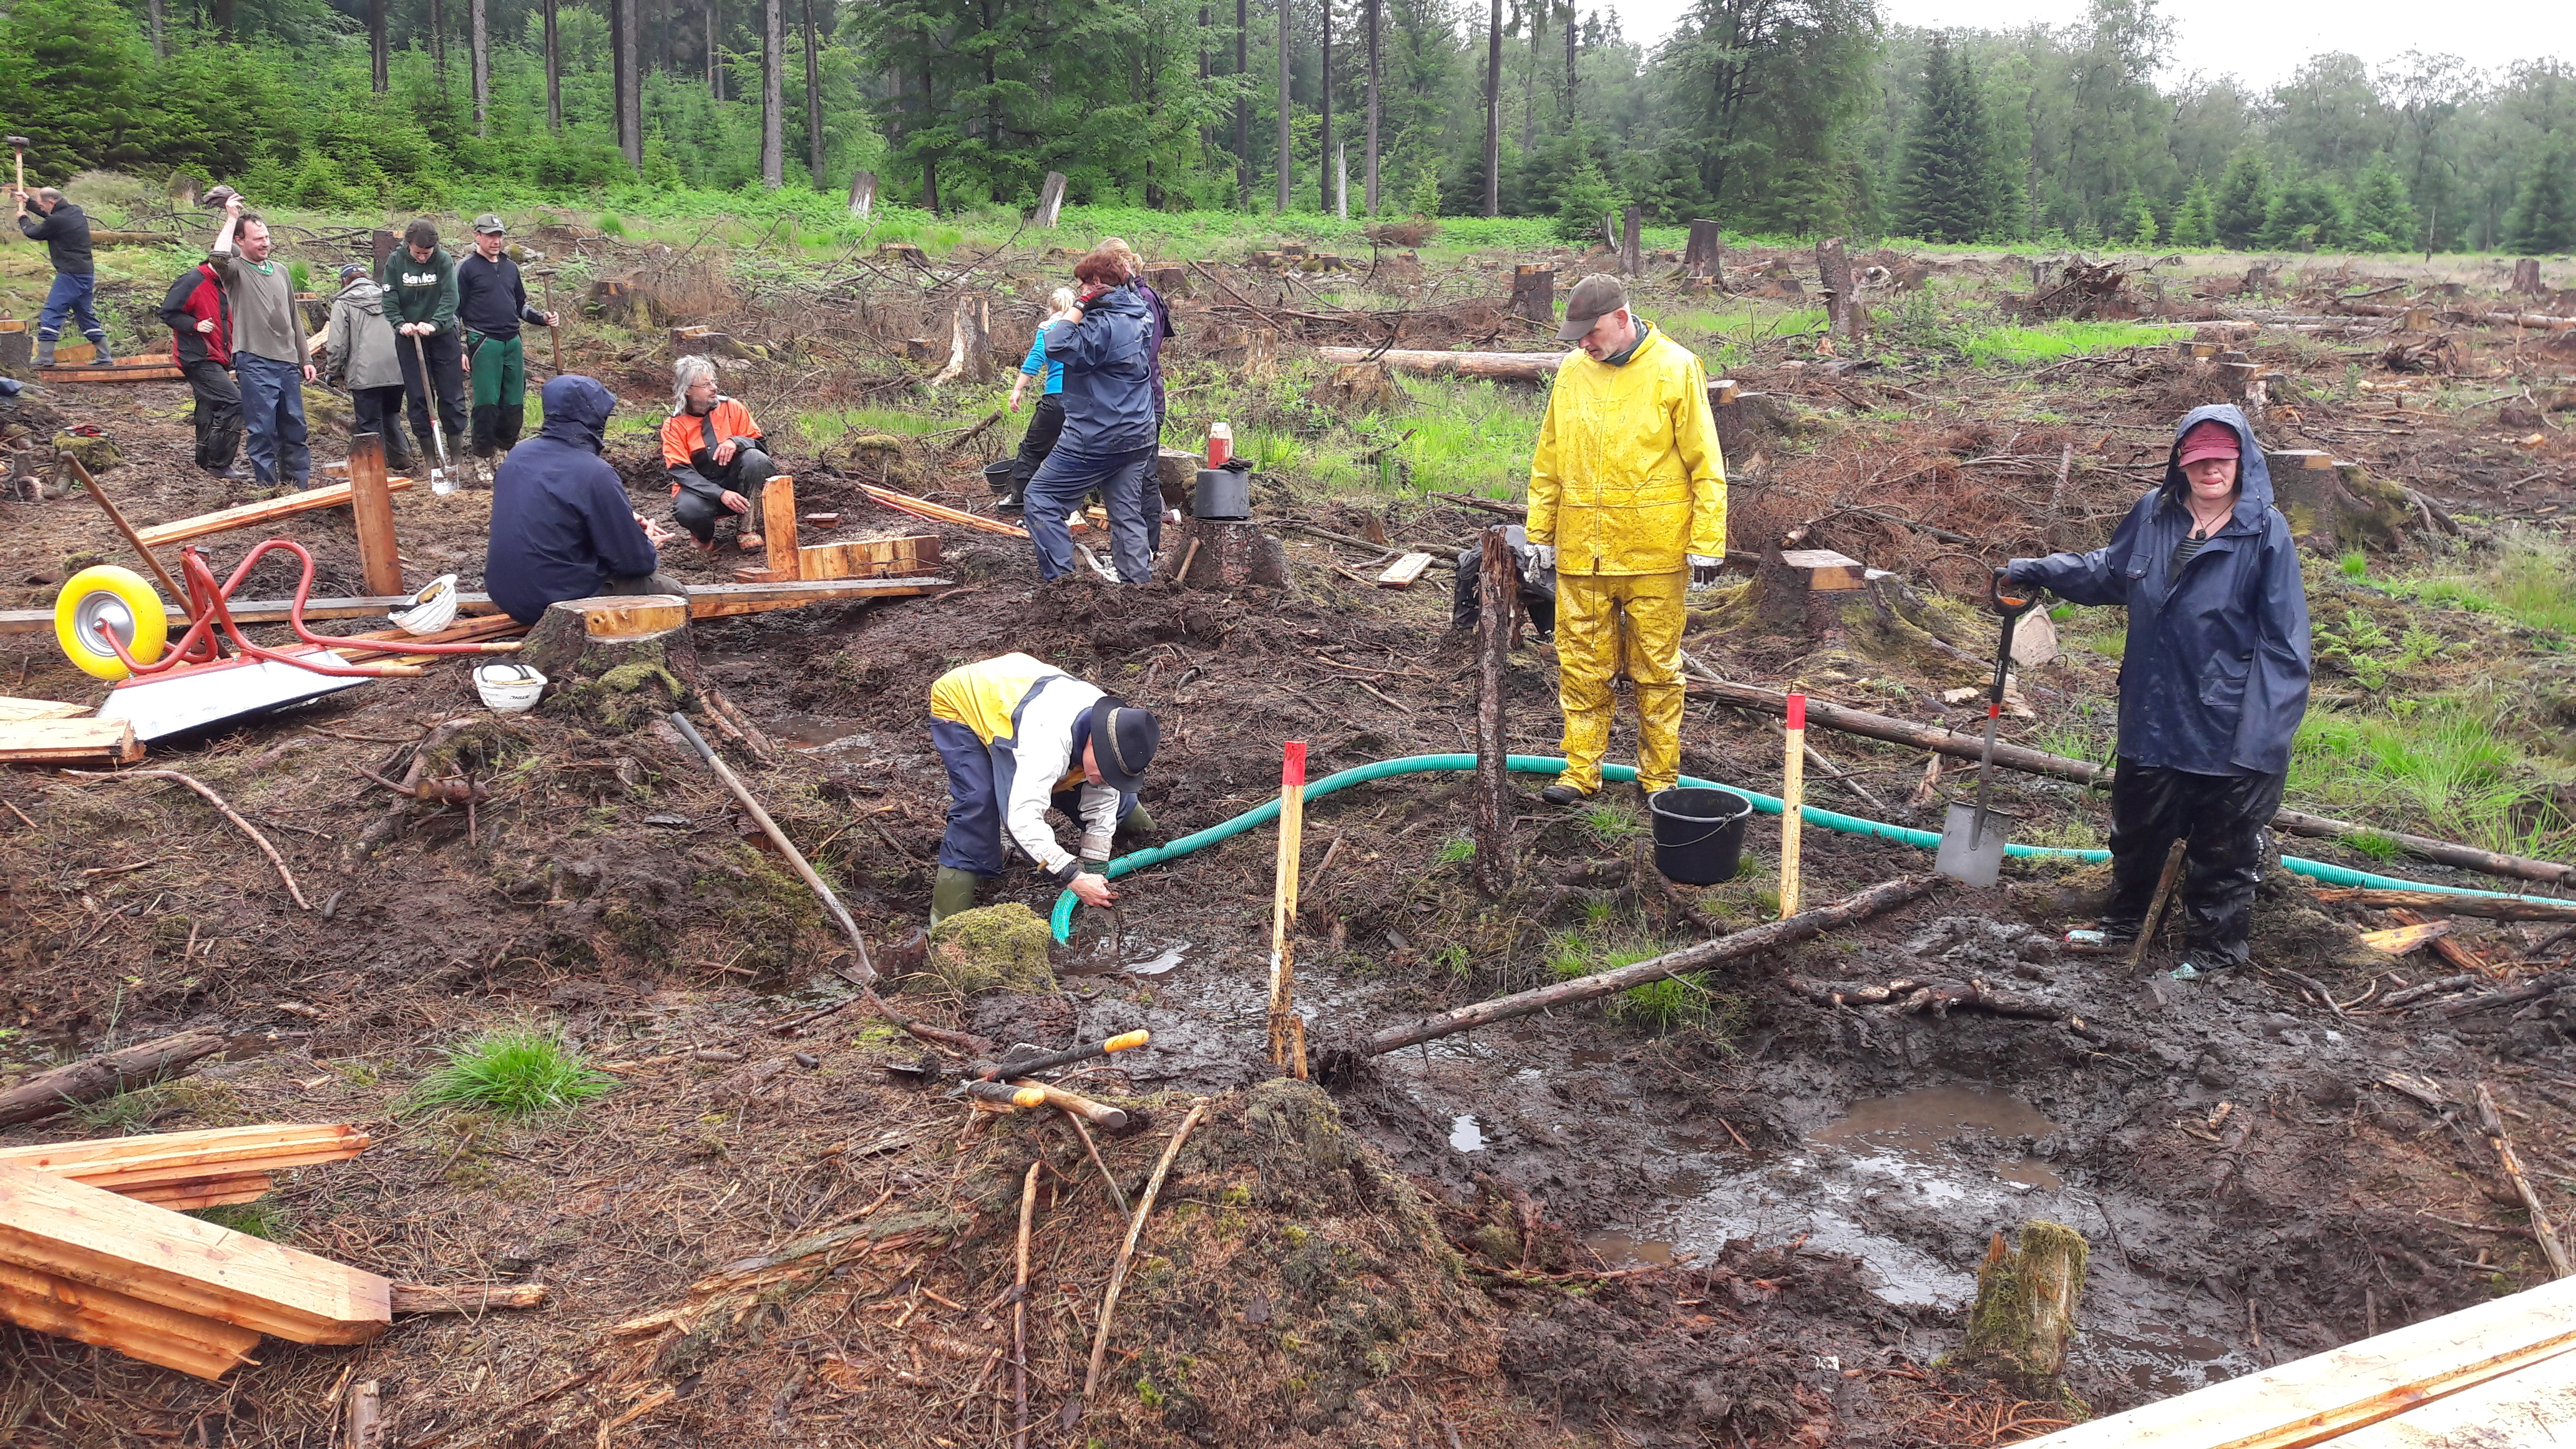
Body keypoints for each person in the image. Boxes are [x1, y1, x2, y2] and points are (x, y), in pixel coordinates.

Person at [2003, 406, 2310, 975]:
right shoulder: (2154, 513)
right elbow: (2110, 573)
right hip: (2151, 709)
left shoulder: (2266, 532)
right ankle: (2123, 928)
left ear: (2242, 461)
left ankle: (2214, 953)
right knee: (2138, 829)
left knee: (2223, 847)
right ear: (2181, 463)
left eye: (2222, 459)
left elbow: (2286, 645)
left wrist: (2264, 740)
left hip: (2226, 721)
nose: (2210, 471)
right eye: (2199, 461)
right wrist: (2040, 569)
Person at [1526, 275, 1727, 807]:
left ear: (1621, 318)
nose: (1583, 344)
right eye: (1576, 337)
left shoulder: (1676, 367)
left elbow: (1706, 464)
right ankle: (1578, 772)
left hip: (1654, 554)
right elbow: (1549, 458)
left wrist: (1707, 540)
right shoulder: (1572, 371)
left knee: (1657, 671)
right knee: (1580, 664)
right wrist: (1540, 532)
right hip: (1581, 552)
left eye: (1589, 333)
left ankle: (1660, 780)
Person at [927, 651, 1161, 927]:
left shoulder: (1111, 729)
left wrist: (1095, 867)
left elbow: (1103, 796)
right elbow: (1021, 817)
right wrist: (1071, 875)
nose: (1108, 779)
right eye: (1109, 769)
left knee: (1102, 786)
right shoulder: (1043, 745)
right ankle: (944, 922)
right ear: (1092, 743)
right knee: (981, 802)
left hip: (1024, 690)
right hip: (964, 702)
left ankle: (1148, 835)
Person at [485, 374, 683, 625]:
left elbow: (551, 514)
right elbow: (635, 563)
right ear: (595, 418)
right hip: (556, 601)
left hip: (507, 594)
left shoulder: (519, 455)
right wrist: (648, 544)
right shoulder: (595, 472)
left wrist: (620, 518)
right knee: (672, 593)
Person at [1025, 245, 1159, 584]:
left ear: (1096, 284)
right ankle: (1139, 589)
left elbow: (1055, 344)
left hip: (1097, 434)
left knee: (1041, 499)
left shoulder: (1100, 324)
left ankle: (1063, 589)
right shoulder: (1140, 311)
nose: (1080, 291)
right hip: (1138, 432)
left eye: (1084, 285)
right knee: (1126, 512)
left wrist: (1082, 306)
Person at [207, 195, 315, 487]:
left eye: (266, 237)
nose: (265, 243)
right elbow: (217, 258)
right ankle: (267, 488)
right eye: (257, 239)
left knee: (295, 427)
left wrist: (305, 359)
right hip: (254, 360)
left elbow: (294, 317)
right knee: (263, 429)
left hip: (288, 361)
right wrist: (231, 218)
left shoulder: (280, 270)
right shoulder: (235, 272)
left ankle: (297, 486)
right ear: (241, 242)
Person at [454, 215, 559, 461]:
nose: (495, 241)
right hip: (483, 341)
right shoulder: (466, 268)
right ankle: (482, 456)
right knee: (487, 403)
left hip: (512, 341)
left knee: (513, 402)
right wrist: (458, 349)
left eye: (499, 235)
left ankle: (504, 451)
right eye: (490, 235)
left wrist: (542, 318)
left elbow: (520, 305)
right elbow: (453, 312)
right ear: (477, 235)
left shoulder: (510, 267)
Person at [660, 355, 776, 551]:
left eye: (714, 381)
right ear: (687, 390)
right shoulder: (673, 426)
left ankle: (747, 529)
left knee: (757, 460)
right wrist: (720, 494)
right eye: (706, 384)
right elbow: (680, 472)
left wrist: (737, 442)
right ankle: (703, 538)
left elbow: (762, 447)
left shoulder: (733, 408)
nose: (714, 388)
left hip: (737, 483)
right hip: (699, 491)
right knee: (689, 510)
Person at [382, 219, 468, 475]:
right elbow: (389, 297)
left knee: (451, 395)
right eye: (418, 253)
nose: (422, 258)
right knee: (419, 398)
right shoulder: (396, 262)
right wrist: (400, 324)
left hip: (442, 336)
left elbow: (451, 296)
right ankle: (430, 459)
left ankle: (456, 458)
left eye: (426, 254)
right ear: (409, 245)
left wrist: (435, 324)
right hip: (409, 338)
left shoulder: (443, 261)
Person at [323, 262, 416, 472]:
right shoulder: (389, 296)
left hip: (364, 374)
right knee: (391, 416)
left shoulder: (343, 303)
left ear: (344, 282)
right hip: (395, 372)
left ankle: (377, 469)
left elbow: (337, 344)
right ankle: (402, 459)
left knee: (368, 424)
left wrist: (332, 371)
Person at [157, 257, 240, 477]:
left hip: (218, 355)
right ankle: (220, 464)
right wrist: (194, 325)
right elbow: (168, 312)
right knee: (234, 402)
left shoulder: (225, 284)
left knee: (209, 405)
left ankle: (203, 462)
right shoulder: (193, 280)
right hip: (197, 356)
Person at [1000, 287, 1078, 514]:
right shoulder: (1086, 326)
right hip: (1085, 401)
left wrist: (1017, 389)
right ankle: (1070, 504)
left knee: (1032, 450)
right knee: (1076, 451)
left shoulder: (1049, 329)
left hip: (1056, 399)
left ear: (1052, 308)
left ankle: (1019, 500)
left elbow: (1036, 359)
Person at [16, 186, 111, 366]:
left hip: (71, 274)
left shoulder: (58, 221)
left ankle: (45, 356)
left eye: (41, 204)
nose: (40, 207)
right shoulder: (75, 211)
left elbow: (33, 232)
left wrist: (23, 218)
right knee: (85, 315)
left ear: (51, 202)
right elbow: (52, 218)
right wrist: (28, 201)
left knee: (53, 310)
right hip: (85, 274)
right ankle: (104, 356)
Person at [1450, 525, 1557, 641]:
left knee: (1541, 591)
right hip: (1507, 552)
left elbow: (1551, 589)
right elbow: (1465, 574)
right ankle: (1464, 630)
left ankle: (1548, 632)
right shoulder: (1481, 557)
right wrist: (1462, 626)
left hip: (1528, 554)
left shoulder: (1535, 567)